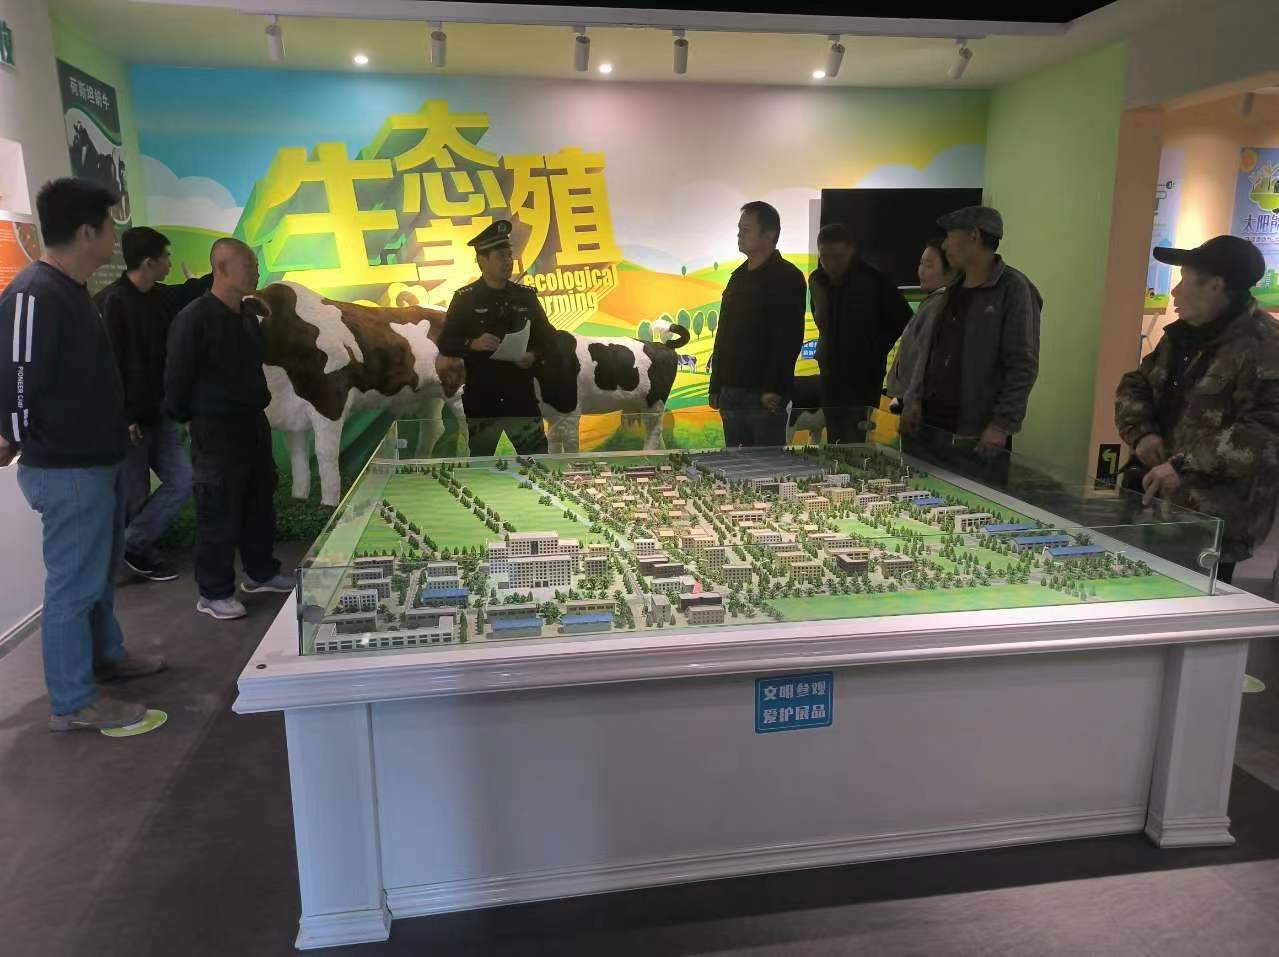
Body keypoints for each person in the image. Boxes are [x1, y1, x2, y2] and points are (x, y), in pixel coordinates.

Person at [0, 178, 166, 731]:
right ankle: (73, 702)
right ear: (86, 232)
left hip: (97, 461)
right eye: (110, 226)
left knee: (95, 576)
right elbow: (16, 379)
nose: (116, 237)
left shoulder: (70, 290)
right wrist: (12, 436)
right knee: (73, 585)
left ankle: (106, 657)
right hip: (66, 469)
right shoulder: (34, 294)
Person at [1115, 235, 1279, 585]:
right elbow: (1137, 383)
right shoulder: (1180, 336)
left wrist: (1181, 465)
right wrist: (1142, 433)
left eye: (1185, 280)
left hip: (1213, 523)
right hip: (1155, 507)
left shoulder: (1266, 345)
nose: (1175, 293)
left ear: (1215, 286)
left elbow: (1264, 433)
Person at [165, 238, 292, 620]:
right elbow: (176, 379)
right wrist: (191, 419)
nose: (256, 270)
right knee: (218, 508)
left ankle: (260, 572)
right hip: (215, 428)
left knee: (259, 500)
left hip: (252, 422)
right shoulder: (193, 318)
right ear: (221, 269)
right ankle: (214, 592)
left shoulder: (246, 317)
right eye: (249, 264)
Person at [95, 226, 211, 582]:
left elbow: (188, 291)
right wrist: (126, 415)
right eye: (166, 257)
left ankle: (133, 545)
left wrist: (221, 273)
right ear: (149, 262)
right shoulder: (111, 302)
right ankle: (126, 561)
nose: (170, 263)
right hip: (129, 421)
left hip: (162, 414)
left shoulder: (160, 296)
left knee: (182, 480)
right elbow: (108, 365)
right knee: (134, 493)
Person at [900, 206, 1042, 473]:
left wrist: (1001, 424)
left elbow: (1022, 364)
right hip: (931, 428)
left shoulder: (1014, 290)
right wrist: (914, 398)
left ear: (974, 236)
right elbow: (929, 351)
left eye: (950, 236)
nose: (945, 245)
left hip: (974, 437)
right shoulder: (952, 290)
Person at [438, 220, 556, 456]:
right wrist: (472, 344)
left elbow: (549, 338)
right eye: (501, 256)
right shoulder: (465, 298)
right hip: (483, 400)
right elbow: (446, 342)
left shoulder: (525, 296)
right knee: (482, 464)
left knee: (537, 462)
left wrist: (533, 355)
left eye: (509, 255)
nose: (508, 261)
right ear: (482, 260)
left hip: (521, 398)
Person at [709, 201, 807, 447]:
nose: (739, 235)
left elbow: (788, 338)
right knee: (735, 462)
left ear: (769, 234)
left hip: (763, 395)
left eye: (747, 229)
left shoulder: (787, 277)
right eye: (739, 229)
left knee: (766, 463)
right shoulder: (737, 278)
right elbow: (724, 334)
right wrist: (716, 384)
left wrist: (774, 387)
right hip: (731, 391)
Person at [809, 223, 912, 443]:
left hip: (863, 377)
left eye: (837, 257)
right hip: (830, 372)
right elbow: (820, 320)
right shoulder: (817, 280)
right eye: (825, 257)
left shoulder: (874, 281)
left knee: (857, 439)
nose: (830, 264)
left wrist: (874, 351)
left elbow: (903, 317)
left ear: (851, 251)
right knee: (834, 436)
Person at [885, 238, 957, 408]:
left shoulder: (940, 306)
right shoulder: (932, 302)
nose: (921, 271)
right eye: (921, 264)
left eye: (929, 266)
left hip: (919, 403)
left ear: (952, 271)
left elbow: (927, 359)